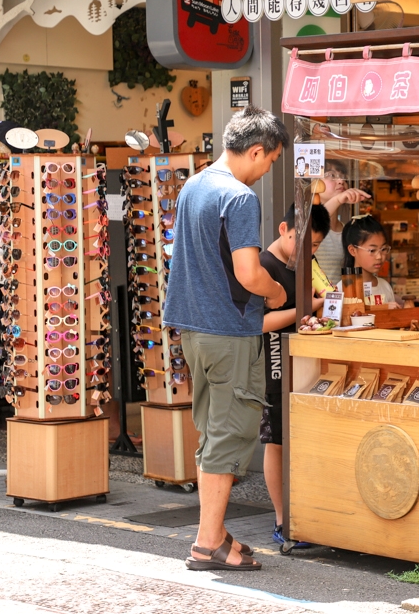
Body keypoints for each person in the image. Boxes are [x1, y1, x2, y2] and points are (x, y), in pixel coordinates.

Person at [164, 106, 289, 572]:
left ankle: (214, 535)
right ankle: (206, 544)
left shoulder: (193, 185)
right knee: (230, 434)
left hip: (193, 331)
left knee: (212, 432)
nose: (267, 169)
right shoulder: (239, 198)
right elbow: (249, 274)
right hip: (228, 332)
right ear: (255, 150)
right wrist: (277, 292)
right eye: (270, 160)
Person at [259, 202, 331, 547]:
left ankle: (306, 512)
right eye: (302, 242)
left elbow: (323, 297)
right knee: (277, 441)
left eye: (315, 246)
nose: (308, 251)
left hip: (305, 361)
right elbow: (259, 322)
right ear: (283, 229)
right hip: (274, 360)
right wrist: (307, 309)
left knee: (299, 437)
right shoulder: (263, 265)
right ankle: (282, 519)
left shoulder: (306, 264)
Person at [313, 161, 371, 287]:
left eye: (343, 176)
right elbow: (313, 225)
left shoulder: (347, 231)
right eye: (331, 175)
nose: (340, 181)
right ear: (314, 183)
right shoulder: (307, 225)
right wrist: (338, 199)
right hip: (315, 305)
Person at [342, 215, 399, 308]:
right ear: (353, 250)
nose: (379, 256)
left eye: (384, 249)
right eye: (372, 250)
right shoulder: (342, 289)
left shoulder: (385, 287)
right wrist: (383, 308)